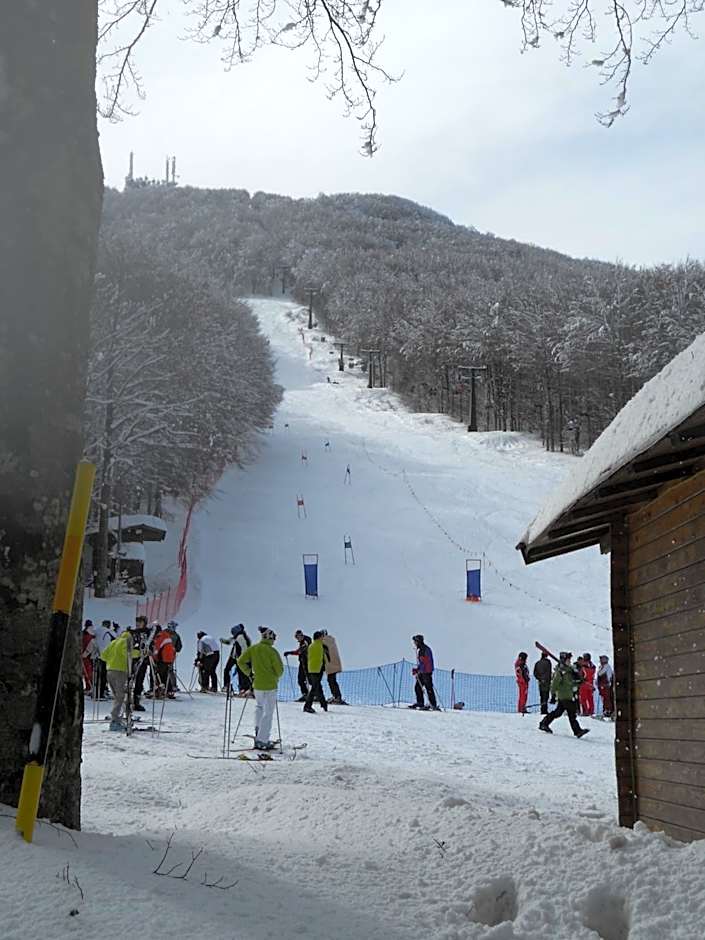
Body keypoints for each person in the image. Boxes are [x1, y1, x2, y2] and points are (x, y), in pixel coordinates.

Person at [237, 627, 284, 749]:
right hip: (270, 685)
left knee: (259, 707)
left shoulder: (254, 649)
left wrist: (249, 673)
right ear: (270, 638)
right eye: (274, 638)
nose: (274, 641)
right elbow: (279, 670)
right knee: (268, 712)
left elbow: (241, 661)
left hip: (257, 684)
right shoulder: (272, 651)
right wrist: (274, 676)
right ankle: (263, 740)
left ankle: (258, 731)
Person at [539, 652, 590, 738]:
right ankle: (577, 731)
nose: (570, 661)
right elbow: (554, 684)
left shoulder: (568, 671)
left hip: (567, 695)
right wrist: (553, 695)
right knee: (571, 713)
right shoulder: (560, 672)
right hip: (564, 696)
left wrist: (579, 683)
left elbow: (570, 684)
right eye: (568, 659)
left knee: (558, 712)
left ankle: (544, 723)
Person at [100, 626, 139, 730]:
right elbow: (127, 653)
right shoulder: (125, 642)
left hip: (110, 670)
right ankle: (115, 719)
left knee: (117, 696)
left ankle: (121, 715)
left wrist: (112, 659)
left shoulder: (114, 642)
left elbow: (103, 655)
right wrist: (139, 653)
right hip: (120, 671)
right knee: (121, 696)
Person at [409, 634, 439, 710]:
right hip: (424, 671)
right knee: (418, 687)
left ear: (418, 641)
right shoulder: (422, 649)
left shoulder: (423, 650)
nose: (414, 643)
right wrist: (417, 669)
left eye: (415, 641)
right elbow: (422, 663)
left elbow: (425, 662)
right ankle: (420, 703)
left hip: (426, 672)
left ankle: (433, 704)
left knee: (428, 688)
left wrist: (418, 670)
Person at [303, 630, 329, 713]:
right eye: (322, 636)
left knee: (317, 686)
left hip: (311, 669)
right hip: (318, 669)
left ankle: (323, 704)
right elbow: (325, 657)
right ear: (319, 637)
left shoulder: (311, 646)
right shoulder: (321, 645)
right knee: (315, 688)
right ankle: (307, 706)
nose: (323, 637)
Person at [222, 624, 252, 696]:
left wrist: (242, 658)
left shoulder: (240, 637)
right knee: (241, 672)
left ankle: (229, 686)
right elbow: (230, 641)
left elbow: (244, 647)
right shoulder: (240, 636)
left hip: (239, 658)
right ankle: (243, 689)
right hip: (236, 657)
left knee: (230, 670)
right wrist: (225, 641)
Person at [284, 629, 311, 702]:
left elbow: (300, 651)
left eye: (299, 636)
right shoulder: (303, 641)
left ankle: (314, 695)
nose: (298, 638)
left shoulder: (306, 640)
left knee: (309, 679)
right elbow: (300, 651)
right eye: (297, 637)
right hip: (303, 663)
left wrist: (290, 652)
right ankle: (306, 694)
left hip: (307, 663)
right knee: (301, 679)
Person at [321, 630, 347, 704]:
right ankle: (336, 696)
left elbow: (325, 653)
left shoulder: (324, 642)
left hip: (330, 664)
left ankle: (337, 697)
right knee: (332, 680)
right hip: (335, 663)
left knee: (331, 681)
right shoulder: (331, 640)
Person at [93, 619, 116, 699]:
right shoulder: (109, 632)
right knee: (104, 676)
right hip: (107, 657)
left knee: (97, 675)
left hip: (97, 656)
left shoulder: (96, 631)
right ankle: (101, 693)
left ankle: (95, 692)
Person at [152, 624, 177, 696]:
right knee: (165, 674)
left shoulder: (159, 637)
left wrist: (154, 659)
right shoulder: (166, 635)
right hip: (169, 658)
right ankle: (169, 690)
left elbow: (157, 650)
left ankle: (160, 690)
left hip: (163, 658)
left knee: (159, 674)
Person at [533, 651, 552, 715]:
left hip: (540, 682)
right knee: (546, 696)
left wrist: (540, 679)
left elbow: (535, 673)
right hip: (547, 682)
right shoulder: (548, 663)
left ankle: (542, 709)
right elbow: (549, 673)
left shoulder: (537, 663)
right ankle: (545, 710)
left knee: (541, 696)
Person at [81, 621, 97, 693]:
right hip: (88, 656)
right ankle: (89, 687)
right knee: (88, 673)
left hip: (85, 656)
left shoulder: (84, 634)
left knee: (87, 673)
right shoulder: (91, 635)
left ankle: (89, 687)